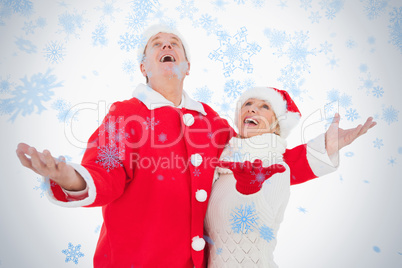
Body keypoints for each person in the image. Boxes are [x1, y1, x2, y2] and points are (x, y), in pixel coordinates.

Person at [15, 24, 374, 267]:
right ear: (144, 66)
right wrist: (70, 177)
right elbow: (104, 173)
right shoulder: (126, 116)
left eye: (174, 44)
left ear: (188, 66)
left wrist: (323, 147)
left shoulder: (212, 123)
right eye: (157, 44)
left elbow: (258, 165)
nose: (166, 45)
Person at [204, 87, 376, 267]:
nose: (252, 109)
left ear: (276, 125)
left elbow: (258, 226)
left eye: (265, 106)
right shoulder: (222, 170)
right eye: (248, 103)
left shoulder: (276, 167)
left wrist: (250, 191)